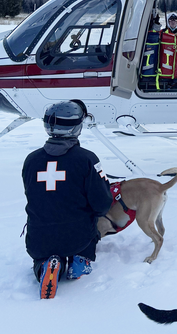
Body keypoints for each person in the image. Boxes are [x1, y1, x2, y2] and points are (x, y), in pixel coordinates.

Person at [22, 101, 113, 299]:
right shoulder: (87, 160)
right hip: (77, 237)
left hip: (38, 239)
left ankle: (43, 266)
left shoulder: (31, 160)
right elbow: (102, 203)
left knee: (42, 250)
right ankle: (79, 261)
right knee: (85, 235)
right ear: (77, 128)